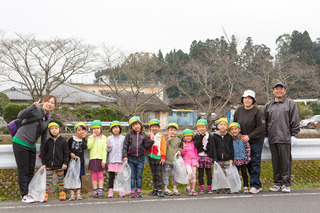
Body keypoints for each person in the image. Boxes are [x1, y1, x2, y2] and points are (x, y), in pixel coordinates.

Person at [12, 95, 57, 203]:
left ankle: (29, 193)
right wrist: (32, 106)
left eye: (52, 103)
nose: (49, 104)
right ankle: (24, 194)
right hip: (20, 142)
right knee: (23, 170)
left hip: (31, 145)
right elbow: (20, 115)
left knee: (30, 170)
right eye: (48, 101)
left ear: (54, 106)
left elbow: (44, 138)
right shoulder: (35, 109)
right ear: (44, 102)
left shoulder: (47, 118)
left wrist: (43, 155)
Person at [264, 82, 300, 193]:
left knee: (285, 162)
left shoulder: (290, 104)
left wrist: (294, 135)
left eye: (281, 89)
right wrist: (266, 136)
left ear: (284, 91)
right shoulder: (268, 105)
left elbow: (295, 120)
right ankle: (277, 183)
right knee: (275, 162)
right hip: (272, 139)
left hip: (285, 138)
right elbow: (264, 122)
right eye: (276, 89)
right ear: (273, 91)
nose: (279, 91)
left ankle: (286, 184)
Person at [233, 89, 265, 194]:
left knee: (254, 163)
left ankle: (255, 185)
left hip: (255, 141)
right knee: (244, 164)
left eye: (249, 98)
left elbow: (262, 127)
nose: (247, 100)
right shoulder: (238, 111)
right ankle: (250, 185)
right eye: (245, 98)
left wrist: (249, 136)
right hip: (241, 142)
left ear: (253, 100)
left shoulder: (258, 111)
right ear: (242, 99)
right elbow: (235, 125)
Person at [122, 116, 154, 198]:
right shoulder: (129, 135)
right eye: (133, 125)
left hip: (141, 158)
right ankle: (132, 190)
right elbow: (125, 146)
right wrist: (125, 156)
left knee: (139, 175)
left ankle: (139, 190)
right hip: (131, 158)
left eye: (137, 124)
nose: (136, 126)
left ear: (140, 124)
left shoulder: (144, 135)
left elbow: (146, 146)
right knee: (132, 176)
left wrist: (151, 141)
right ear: (131, 127)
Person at [42, 120, 69, 202]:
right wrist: (44, 163)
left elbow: (66, 153)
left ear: (59, 129)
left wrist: (65, 163)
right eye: (52, 129)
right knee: (47, 181)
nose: (54, 130)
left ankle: (62, 193)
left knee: (61, 180)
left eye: (56, 128)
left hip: (60, 164)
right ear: (49, 131)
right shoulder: (48, 141)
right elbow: (44, 153)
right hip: (49, 165)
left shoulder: (63, 140)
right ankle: (45, 194)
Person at [209, 118, 233, 194]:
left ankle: (227, 187)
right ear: (218, 126)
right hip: (218, 159)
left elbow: (231, 148)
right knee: (218, 173)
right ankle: (219, 187)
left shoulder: (229, 137)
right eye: (221, 125)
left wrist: (231, 158)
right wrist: (214, 158)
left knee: (227, 173)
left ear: (227, 127)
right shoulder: (214, 136)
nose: (223, 126)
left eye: (224, 125)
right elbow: (213, 148)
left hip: (227, 158)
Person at [87, 120, 107, 199]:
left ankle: (100, 190)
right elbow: (89, 146)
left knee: (101, 175)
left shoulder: (104, 138)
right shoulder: (90, 137)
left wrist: (104, 160)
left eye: (97, 128)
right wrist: (93, 139)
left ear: (101, 129)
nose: (96, 130)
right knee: (94, 176)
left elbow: (105, 150)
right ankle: (95, 190)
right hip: (93, 158)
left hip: (101, 158)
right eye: (94, 128)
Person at [67, 122, 88, 201]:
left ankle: (78, 192)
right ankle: (71, 192)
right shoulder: (71, 139)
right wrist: (70, 153)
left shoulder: (84, 140)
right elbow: (67, 148)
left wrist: (83, 138)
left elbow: (84, 147)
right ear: (76, 131)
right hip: (72, 161)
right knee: (71, 176)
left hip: (80, 162)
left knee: (79, 177)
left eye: (83, 130)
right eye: (79, 130)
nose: (81, 132)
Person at [229, 122, 251, 193]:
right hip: (235, 159)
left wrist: (247, 158)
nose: (234, 131)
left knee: (244, 173)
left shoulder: (243, 138)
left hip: (243, 159)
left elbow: (247, 148)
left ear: (239, 130)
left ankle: (245, 186)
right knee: (235, 174)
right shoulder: (230, 139)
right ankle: (236, 187)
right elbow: (229, 150)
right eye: (232, 129)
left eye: (235, 129)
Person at [193, 119, 214, 194]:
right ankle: (201, 186)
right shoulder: (196, 137)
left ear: (206, 127)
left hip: (208, 156)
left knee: (209, 173)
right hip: (199, 156)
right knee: (200, 173)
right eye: (199, 127)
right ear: (197, 128)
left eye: (203, 127)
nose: (201, 128)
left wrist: (213, 158)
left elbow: (213, 147)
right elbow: (196, 145)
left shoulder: (210, 137)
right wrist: (200, 137)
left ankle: (209, 186)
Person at [147, 119, 167, 197]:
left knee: (159, 174)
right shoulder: (148, 136)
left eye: (156, 127)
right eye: (152, 127)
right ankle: (155, 189)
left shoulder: (161, 136)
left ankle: (159, 190)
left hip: (158, 157)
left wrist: (163, 157)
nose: (154, 128)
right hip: (150, 157)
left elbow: (163, 147)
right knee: (154, 174)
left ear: (158, 128)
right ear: (150, 128)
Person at [106, 121, 125, 198]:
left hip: (120, 160)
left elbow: (125, 149)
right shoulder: (109, 138)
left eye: (117, 128)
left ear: (120, 129)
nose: (116, 130)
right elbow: (108, 150)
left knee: (120, 176)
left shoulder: (123, 138)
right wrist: (108, 147)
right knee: (111, 176)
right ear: (111, 130)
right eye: (114, 128)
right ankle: (110, 190)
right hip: (112, 160)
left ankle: (121, 190)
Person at [163, 123, 181, 196]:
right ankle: (165, 188)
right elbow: (163, 147)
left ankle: (174, 188)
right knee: (165, 175)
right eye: (171, 130)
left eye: (174, 130)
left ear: (176, 132)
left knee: (175, 176)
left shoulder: (178, 140)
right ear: (167, 131)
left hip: (175, 161)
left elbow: (180, 147)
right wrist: (168, 140)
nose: (173, 132)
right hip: (167, 161)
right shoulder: (165, 139)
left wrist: (179, 150)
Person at [180, 129, 198, 196]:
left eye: (190, 136)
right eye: (186, 136)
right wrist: (184, 149)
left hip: (193, 160)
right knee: (189, 172)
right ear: (184, 137)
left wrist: (197, 161)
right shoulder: (183, 144)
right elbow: (182, 154)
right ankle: (188, 186)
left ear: (192, 137)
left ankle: (192, 189)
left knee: (193, 175)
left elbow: (196, 153)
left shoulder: (194, 143)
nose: (188, 137)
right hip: (186, 160)